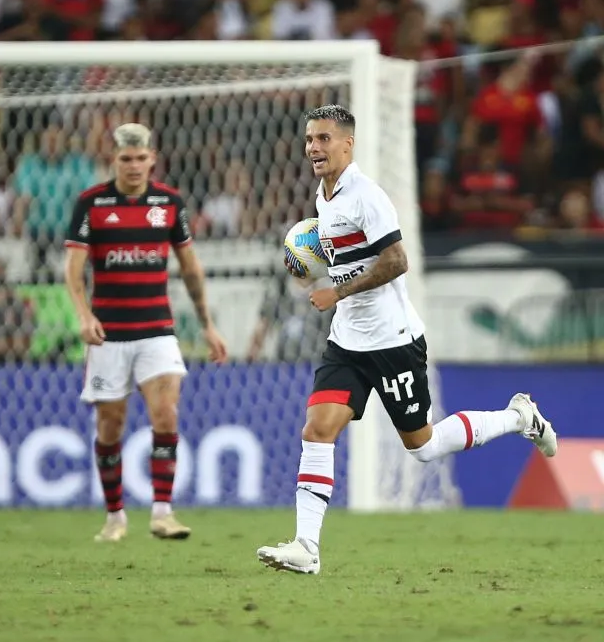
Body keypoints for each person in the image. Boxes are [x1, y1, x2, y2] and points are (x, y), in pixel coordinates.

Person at [256, 105, 557, 575]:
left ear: (346, 143)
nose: (313, 147)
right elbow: (344, 255)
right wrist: (314, 264)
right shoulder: (324, 197)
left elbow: (397, 261)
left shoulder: (366, 196)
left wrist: (336, 289)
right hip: (347, 342)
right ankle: (306, 547)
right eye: (309, 139)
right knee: (317, 429)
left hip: (393, 340)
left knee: (423, 446)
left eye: (323, 139)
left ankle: (518, 417)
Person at [64, 122, 228, 543]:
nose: (134, 166)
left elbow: (190, 268)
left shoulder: (169, 203)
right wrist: (84, 316)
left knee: (166, 413)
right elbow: (73, 272)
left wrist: (208, 325)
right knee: (110, 427)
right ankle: (116, 516)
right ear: (113, 159)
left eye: (141, 158)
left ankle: (162, 513)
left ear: (152, 158)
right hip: (109, 334)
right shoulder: (92, 203)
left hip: (157, 328)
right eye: (125, 159)